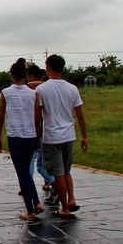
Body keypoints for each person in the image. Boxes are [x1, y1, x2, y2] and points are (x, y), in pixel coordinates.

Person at [35, 54, 88, 219]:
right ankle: (72, 199)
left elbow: (38, 117)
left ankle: (64, 207)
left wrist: (37, 137)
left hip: (52, 136)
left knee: (57, 173)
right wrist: (84, 136)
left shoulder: (41, 89)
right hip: (69, 135)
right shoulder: (72, 88)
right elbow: (80, 115)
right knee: (66, 171)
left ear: (47, 67)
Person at [0, 59, 43, 220]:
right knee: (25, 171)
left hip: (15, 135)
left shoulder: (6, 93)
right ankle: (36, 202)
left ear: (12, 75)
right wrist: (38, 136)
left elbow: (2, 117)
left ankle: (30, 209)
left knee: (21, 173)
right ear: (25, 76)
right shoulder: (33, 93)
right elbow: (37, 117)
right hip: (30, 135)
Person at [27, 66, 55, 195]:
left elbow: (30, 84)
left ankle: (55, 184)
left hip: (42, 131)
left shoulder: (39, 90)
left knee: (39, 164)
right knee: (46, 163)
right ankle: (51, 183)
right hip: (56, 133)